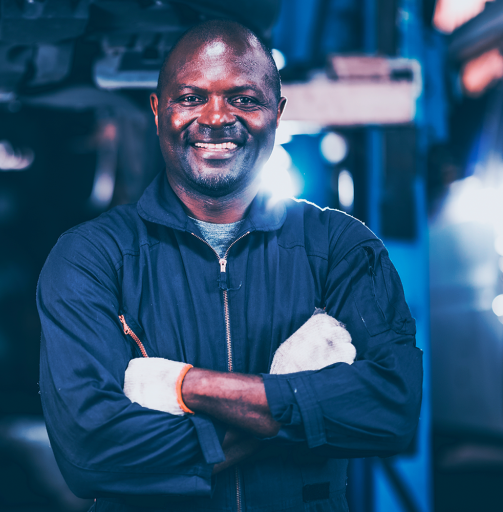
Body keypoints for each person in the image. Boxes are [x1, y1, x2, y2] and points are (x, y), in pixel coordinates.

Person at [36, 20, 423, 511]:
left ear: (278, 113)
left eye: (244, 99)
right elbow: (91, 453)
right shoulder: (92, 257)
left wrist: (187, 386)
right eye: (192, 97)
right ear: (158, 111)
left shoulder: (340, 247)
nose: (217, 117)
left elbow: (390, 410)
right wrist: (302, 401)